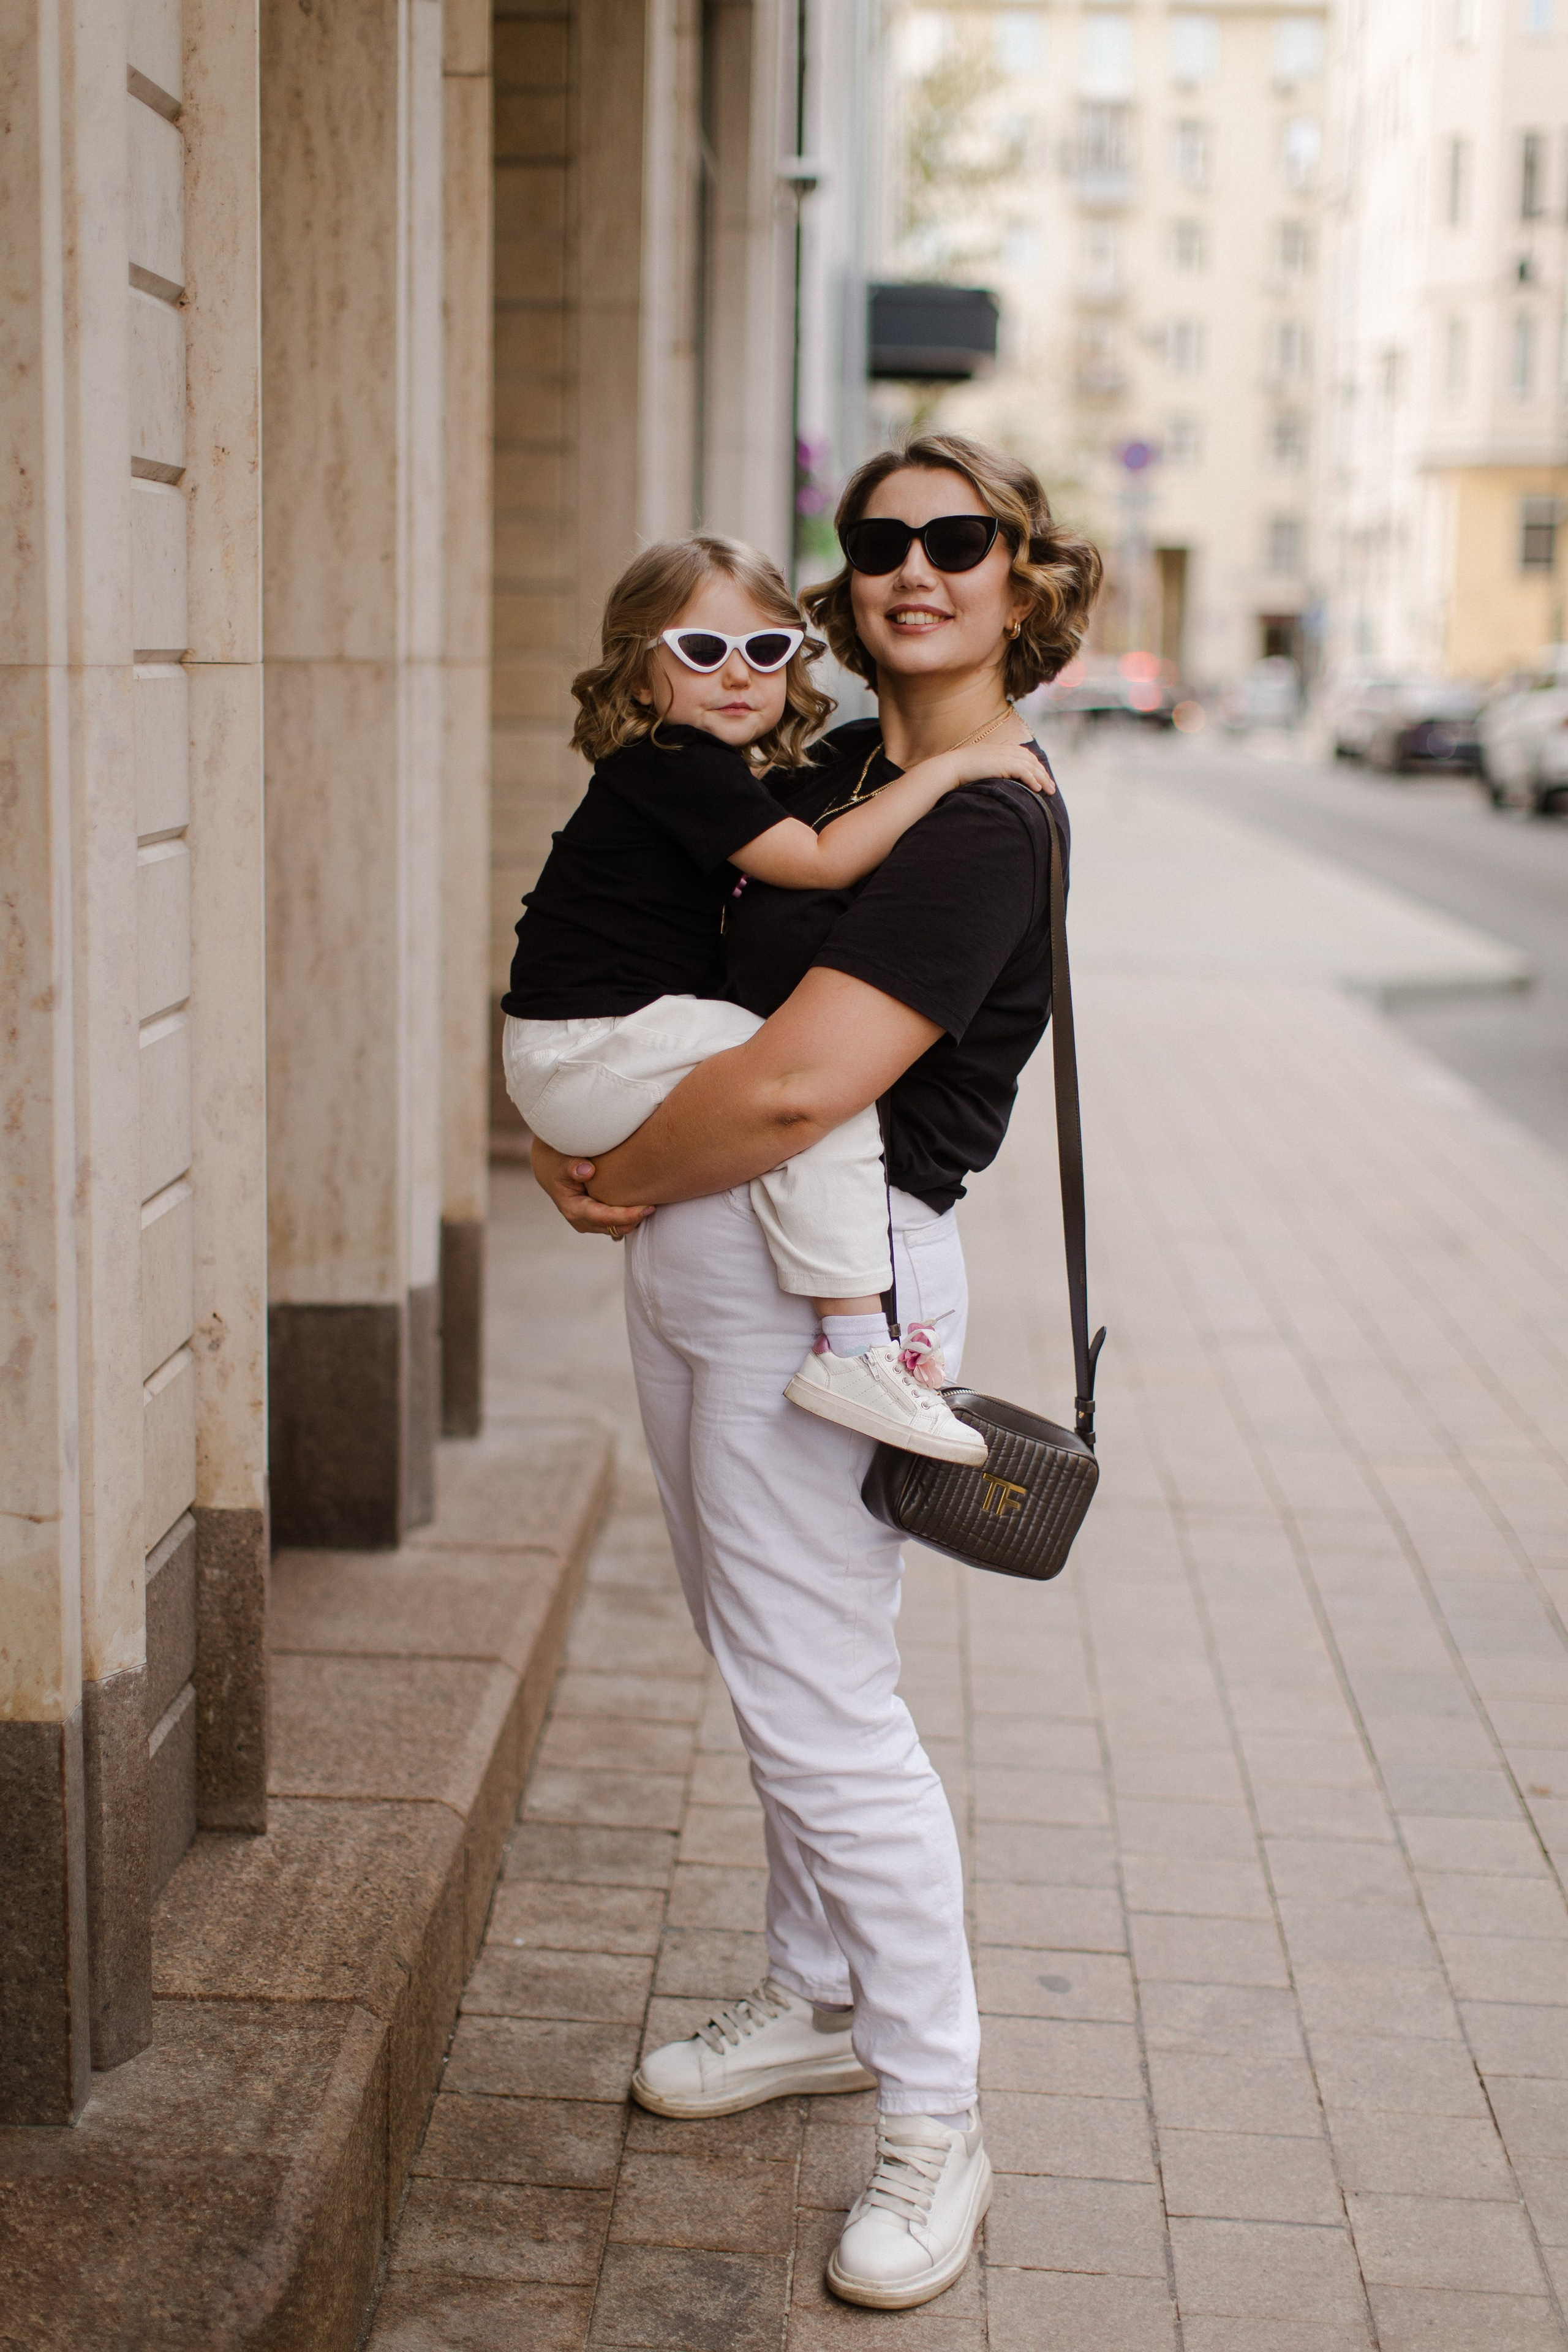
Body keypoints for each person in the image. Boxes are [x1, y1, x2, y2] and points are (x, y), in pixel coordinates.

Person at [531, 435, 1101, 2311]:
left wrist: (611, 1168)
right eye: (879, 539)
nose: (914, 566)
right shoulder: (830, 762)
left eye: (959, 537)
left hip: (827, 1280)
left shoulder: (986, 814)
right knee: (766, 1657)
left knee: (822, 1705)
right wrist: (591, 1142)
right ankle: (820, 1995)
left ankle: (938, 2114)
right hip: (708, 1259)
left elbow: (794, 1086)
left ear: (1022, 574)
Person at [502, 532, 1054, 1463]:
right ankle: (855, 1344)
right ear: (638, 672)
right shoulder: (683, 764)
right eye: (702, 650)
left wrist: (596, 1155)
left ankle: (856, 1342)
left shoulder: (740, 774)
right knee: (813, 1082)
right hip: (594, 1049)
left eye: (765, 650)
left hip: (594, 1056)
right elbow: (822, 860)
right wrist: (952, 768)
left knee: (809, 1075)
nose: (737, 674)